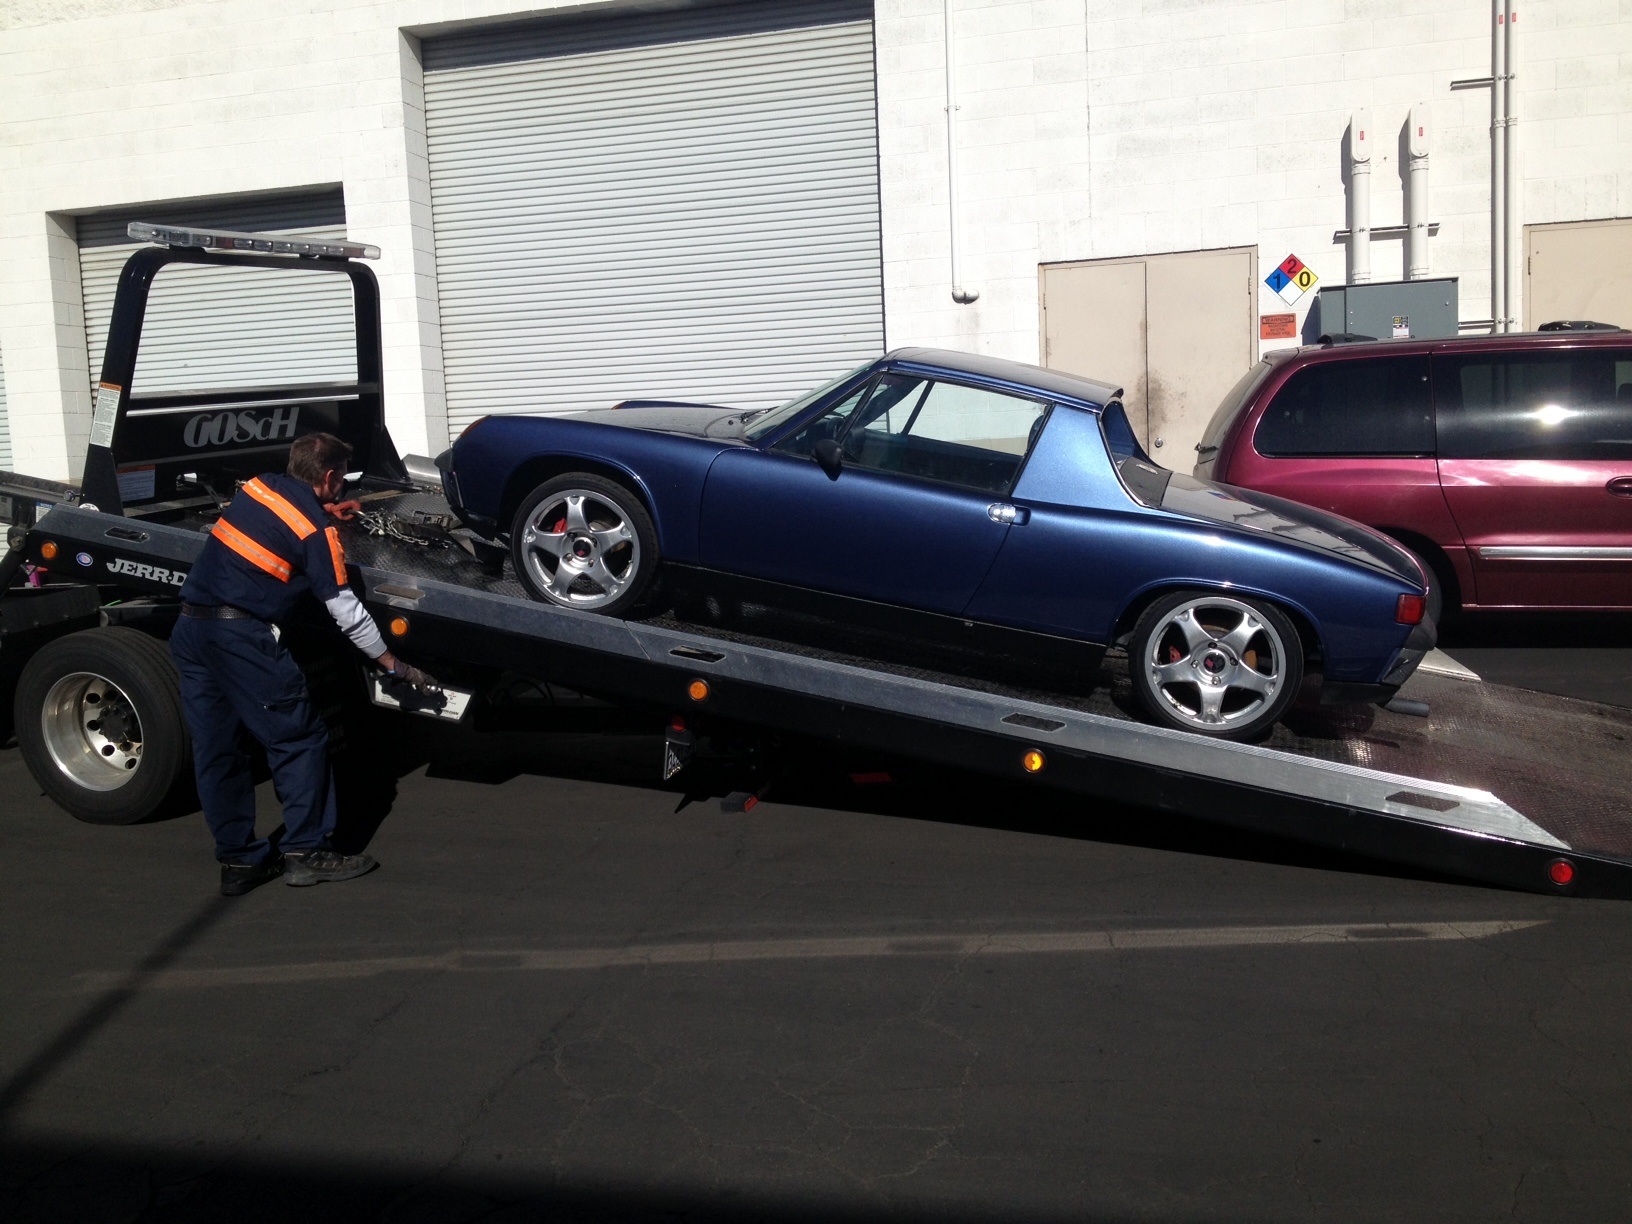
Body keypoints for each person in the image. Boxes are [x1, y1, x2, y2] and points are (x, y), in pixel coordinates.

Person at [170, 432, 437, 896]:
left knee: (217, 749)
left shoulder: (259, 487)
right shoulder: (316, 533)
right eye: (342, 479)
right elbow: (345, 611)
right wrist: (392, 662)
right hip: (241, 639)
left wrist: (323, 510)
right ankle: (306, 852)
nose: (344, 486)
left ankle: (238, 861)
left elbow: (280, 521)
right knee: (298, 738)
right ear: (330, 476)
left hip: (192, 630)